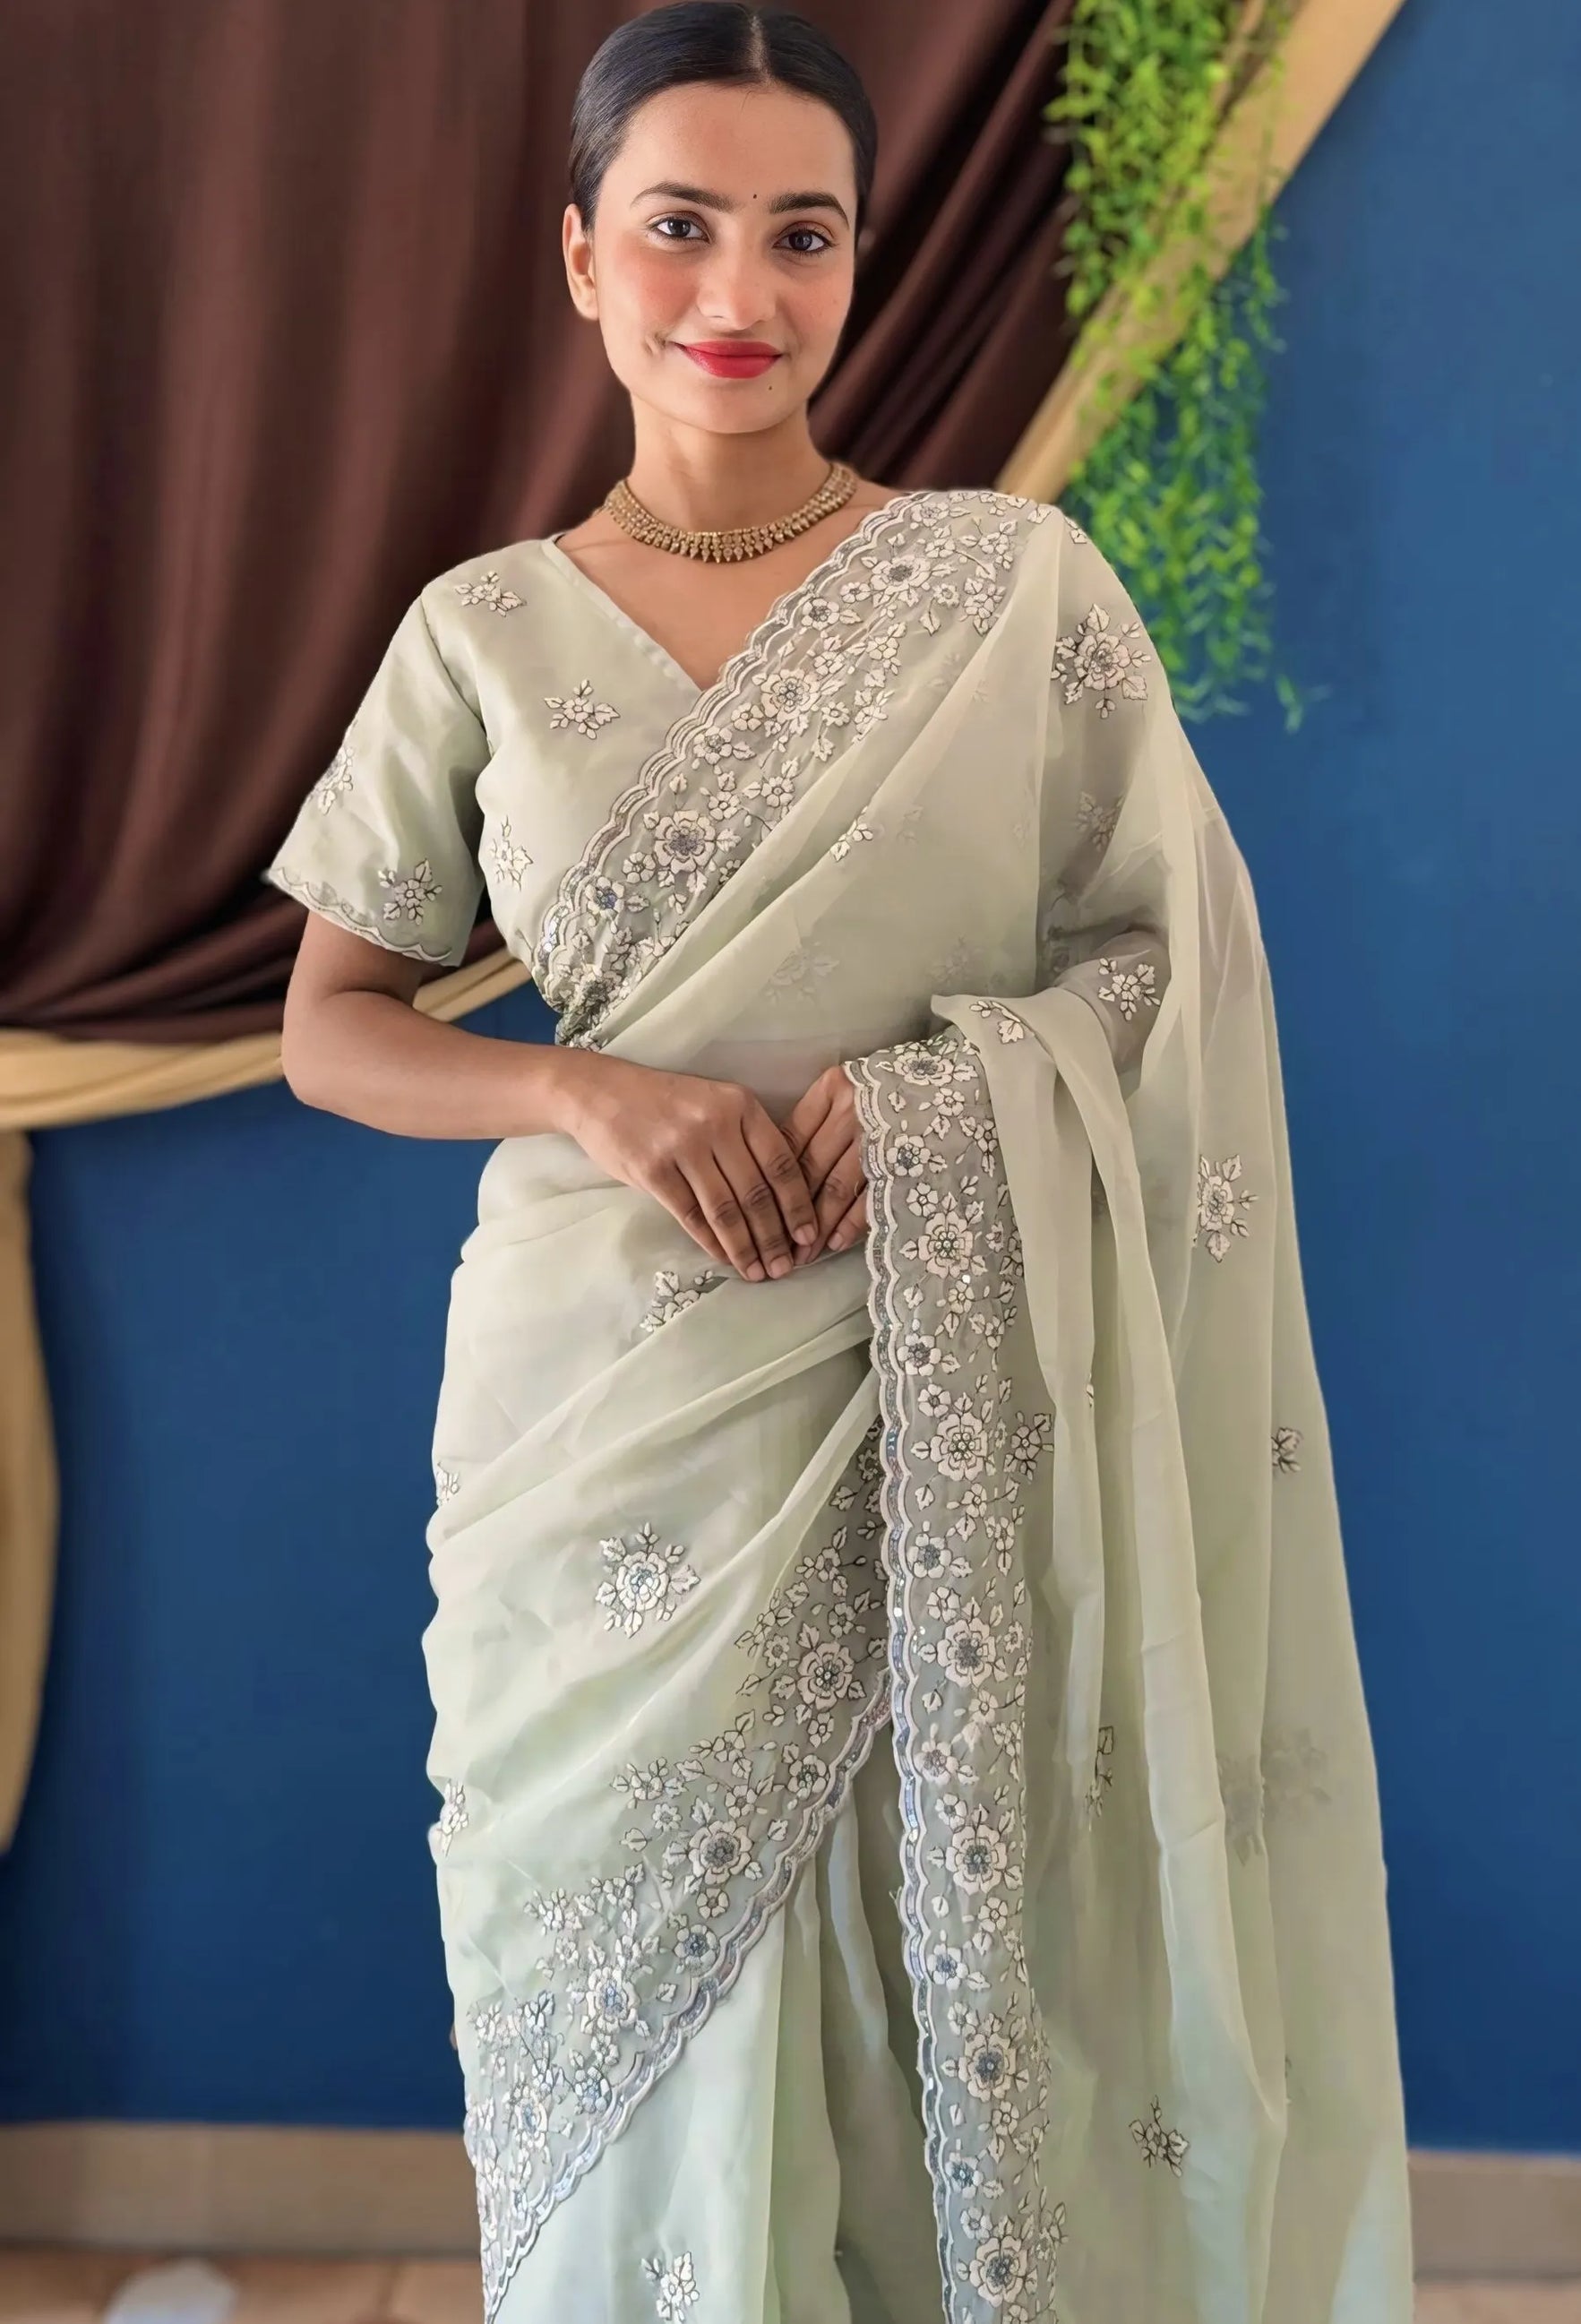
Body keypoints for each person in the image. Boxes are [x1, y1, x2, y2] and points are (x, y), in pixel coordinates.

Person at [263, 5, 1415, 2320]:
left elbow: (1165, 960)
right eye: (679, 226)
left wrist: (931, 1102)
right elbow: (332, 1027)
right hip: (605, 1428)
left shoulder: (1012, 590)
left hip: (940, 1389)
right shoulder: (479, 633)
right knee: (603, 2030)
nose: (740, 290)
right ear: (578, 255)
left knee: (927, 2004)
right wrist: (589, 1093)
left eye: (804, 236)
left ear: (862, 264)